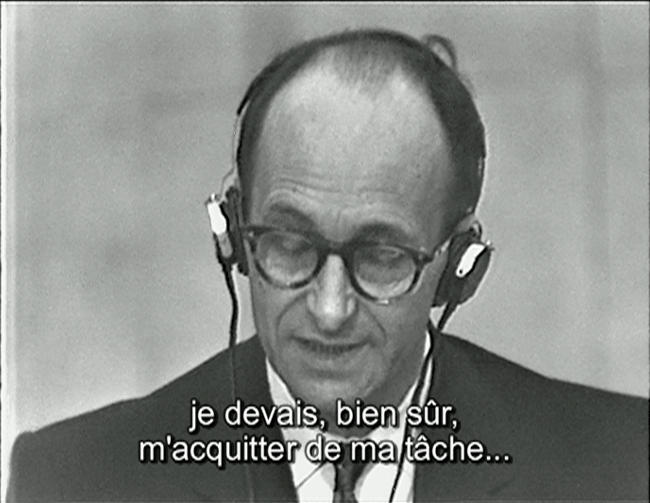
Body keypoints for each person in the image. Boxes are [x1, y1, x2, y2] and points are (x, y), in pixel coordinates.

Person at [7, 28, 648, 503]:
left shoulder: (625, 467)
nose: (330, 310)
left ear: (459, 266)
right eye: (289, 243)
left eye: (382, 256)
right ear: (234, 234)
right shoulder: (72, 480)